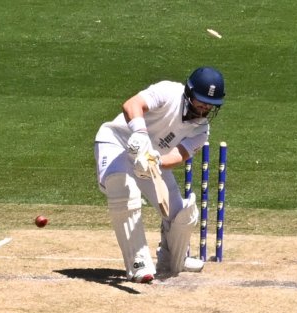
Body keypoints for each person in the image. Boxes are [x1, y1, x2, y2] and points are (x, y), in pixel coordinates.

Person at [94, 66, 225, 282]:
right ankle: (138, 263)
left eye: (211, 104)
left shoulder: (201, 130)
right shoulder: (169, 91)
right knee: (124, 190)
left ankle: (175, 259)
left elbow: (179, 155)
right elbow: (132, 104)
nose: (205, 108)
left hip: (150, 160)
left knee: (183, 214)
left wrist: (154, 161)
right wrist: (140, 133)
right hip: (116, 143)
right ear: (189, 93)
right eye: (201, 101)